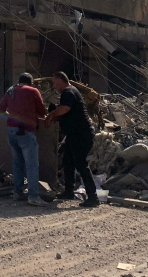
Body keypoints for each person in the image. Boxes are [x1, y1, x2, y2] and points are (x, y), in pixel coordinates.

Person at [45, 71, 98, 208]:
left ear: (60, 82)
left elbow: (65, 108)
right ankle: (69, 191)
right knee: (67, 161)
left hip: (81, 134)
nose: (54, 87)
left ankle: (93, 197)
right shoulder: (70, 91)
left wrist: (51, 115)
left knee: (81, 164)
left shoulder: (68, 92)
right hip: (74, 134)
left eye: (55, 83)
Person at [0, 72, 48, 207]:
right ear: (30, 83)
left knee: (17, 163)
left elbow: (0, 109)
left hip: (11, 131)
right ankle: (33, 196)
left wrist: (14, 113)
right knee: (31, 165)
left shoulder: (10, 90)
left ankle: (18, 193)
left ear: (19, 81)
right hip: (25, 131)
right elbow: (42, 112)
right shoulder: (33, 91)